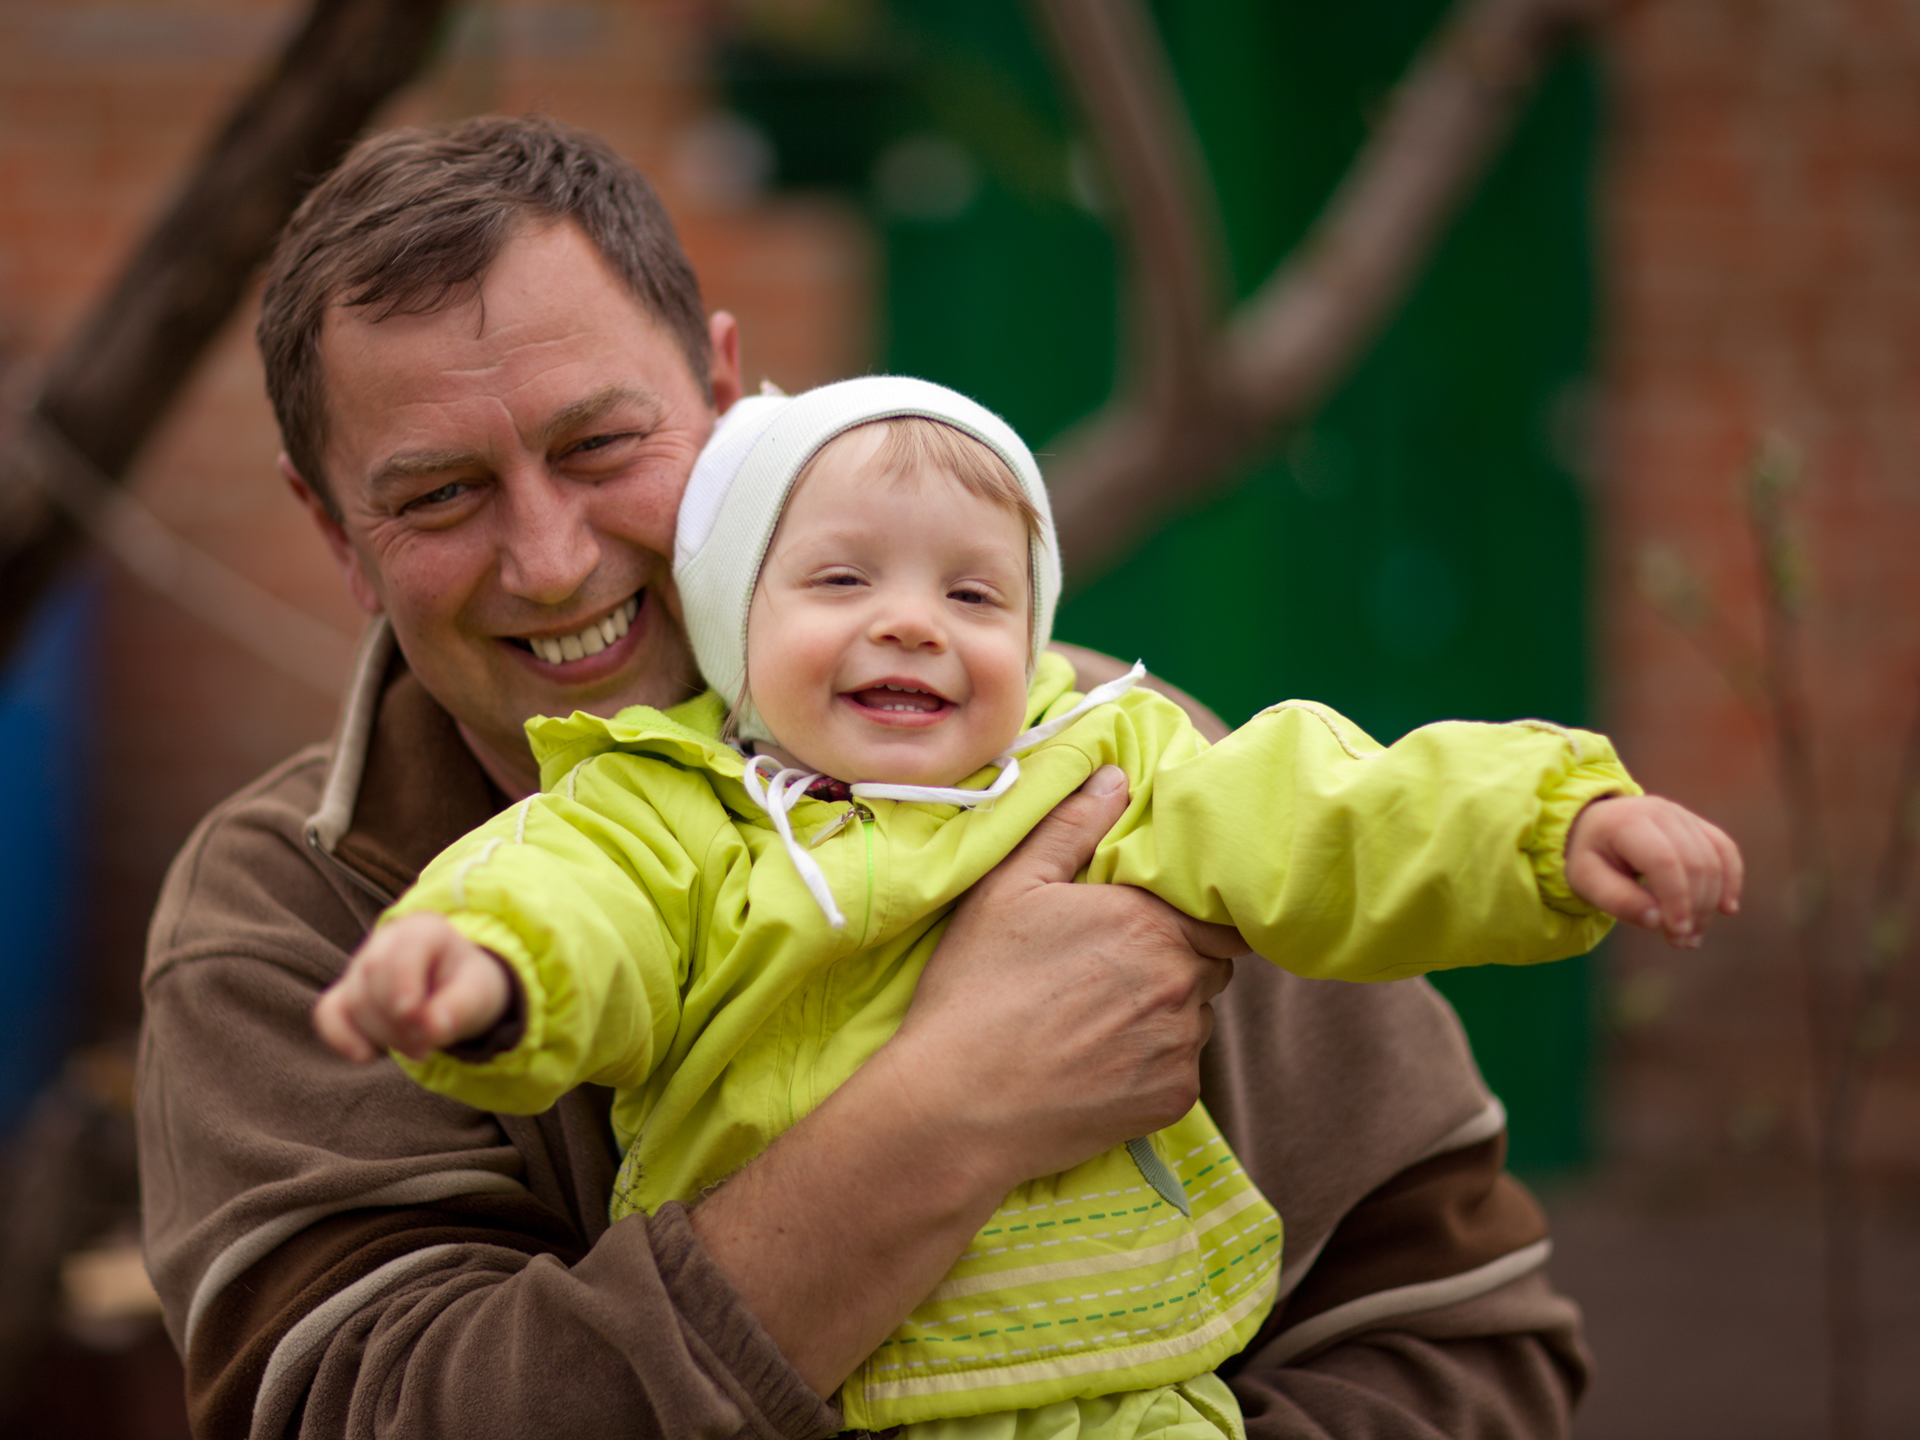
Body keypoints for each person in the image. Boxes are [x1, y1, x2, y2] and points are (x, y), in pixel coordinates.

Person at [135, 114, 1736, 1439]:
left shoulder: (1104, 762)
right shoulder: (292, 918)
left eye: (602, 447)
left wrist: (1554, 821)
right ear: (335, 531)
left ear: (722, 389)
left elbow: (1462, 1333)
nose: (553, 562)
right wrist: (951, 1112)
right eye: (439, 494)